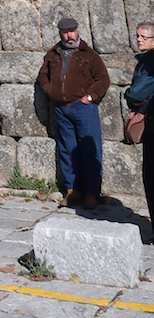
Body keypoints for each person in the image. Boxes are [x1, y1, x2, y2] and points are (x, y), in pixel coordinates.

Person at [37, 16, 110, 210]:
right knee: (67, 150)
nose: (69, 35)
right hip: (61, 109)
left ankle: (91, 193)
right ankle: (72, 190)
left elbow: (103, 79)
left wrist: (90, 96)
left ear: (77, 31)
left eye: (72, 31)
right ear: (60, 33)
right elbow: (43, 74)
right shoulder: (53, 53)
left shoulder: (89, 54)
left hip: (83, 108)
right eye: (65, 32)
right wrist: (48, 89)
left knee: (89, 150)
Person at [124, 22, 154, 233]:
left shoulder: (150, 60)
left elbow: (136, 92)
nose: (139, 39)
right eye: (137, 36)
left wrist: (130, 96)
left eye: (144, 37)